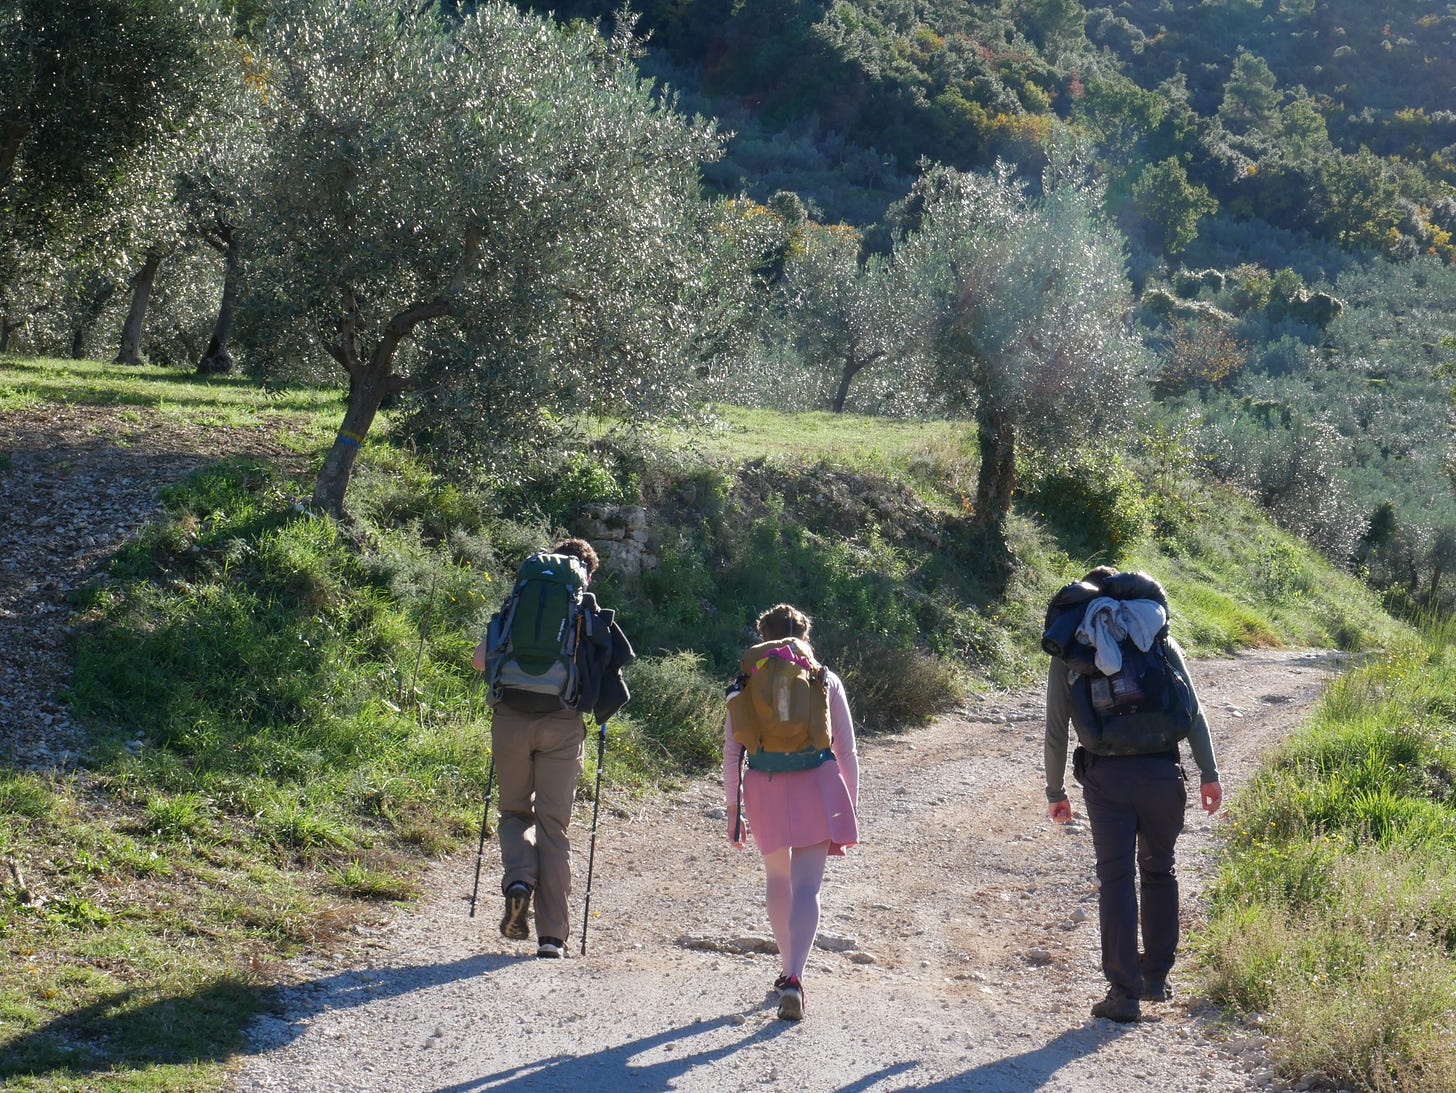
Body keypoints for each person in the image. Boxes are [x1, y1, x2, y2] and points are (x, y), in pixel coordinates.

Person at [1044, 566, 1222, 1022]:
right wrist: (1209, 773)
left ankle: (1123, 994)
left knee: (1117, 878)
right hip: (1162, 771)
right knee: (1160, 869)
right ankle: (1156, 978)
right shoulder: (1160, 640)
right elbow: (1192, 712)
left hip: (1106, 778)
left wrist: (1056, 789)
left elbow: (1056, 730)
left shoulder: (1072, 649)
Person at [473, 537, 633, 958]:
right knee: (553, 828)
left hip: (509, 719)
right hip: (562, 725)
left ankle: (519, 880)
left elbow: (480, 660)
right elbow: (608, 673)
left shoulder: (517, 603)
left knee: (513, 812)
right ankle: (552, 938)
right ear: (587, 574)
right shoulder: (586, 612)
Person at [723, 603, 859, 1021]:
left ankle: (786, 969)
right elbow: (846, 751)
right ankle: (796, 976)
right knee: (807, 887)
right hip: (817, 785)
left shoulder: (745, 682)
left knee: (778, 880)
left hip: (764, 786)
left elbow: (732, 751)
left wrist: (733, 809)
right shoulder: (824, 678)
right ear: (804, 636)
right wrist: (848, 804)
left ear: (762, 637)